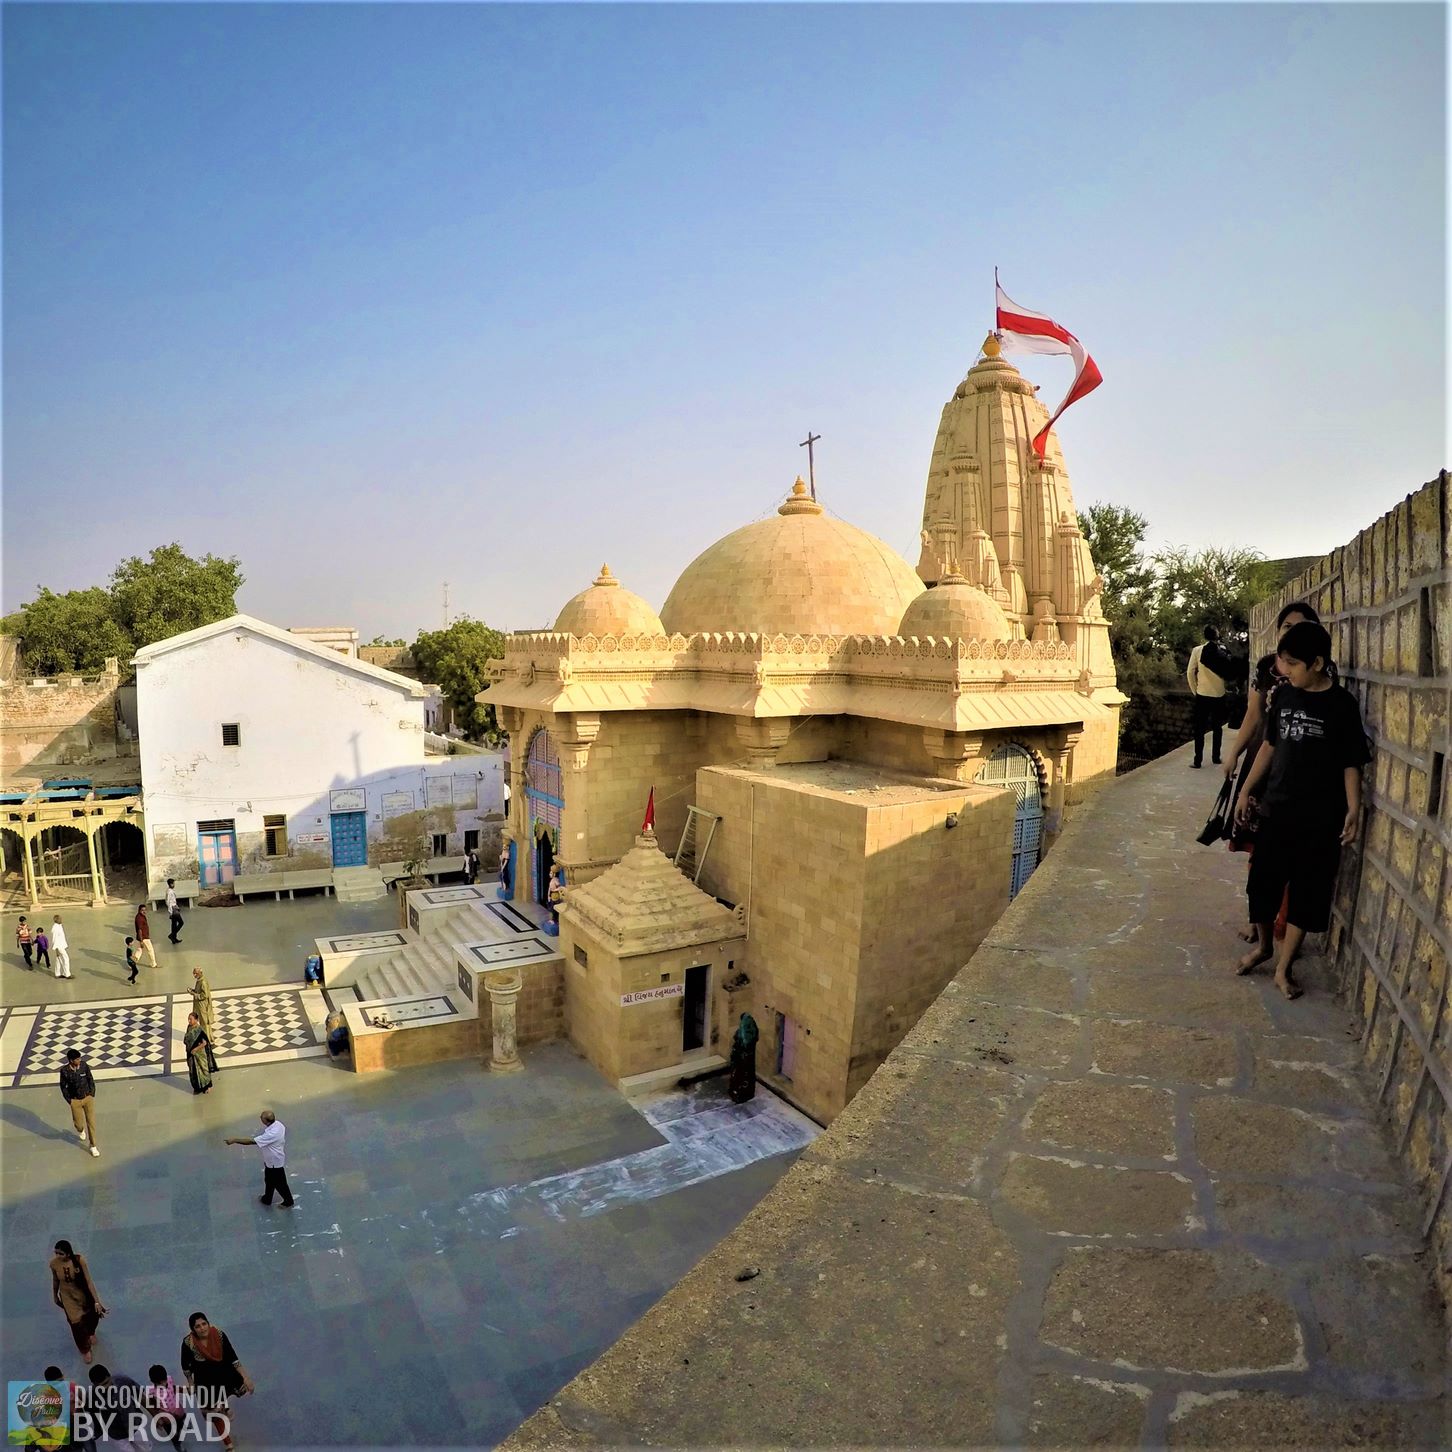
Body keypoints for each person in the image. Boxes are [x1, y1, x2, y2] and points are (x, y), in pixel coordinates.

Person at [1233, 621, 1369, 1000]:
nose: (1286, 671)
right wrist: (1246, 790)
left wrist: (1354, 808)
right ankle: (1263, 946)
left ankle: (1283, 967)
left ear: (1318, 663)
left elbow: (1351, 762)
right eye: (1284, 663)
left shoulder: (1341, 705)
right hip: (1277, 811)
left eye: (1294, 664)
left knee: (1308, 895)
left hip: (1320, 820)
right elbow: (1269, 747)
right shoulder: (1286, 698)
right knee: (1261, 885)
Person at [1222, 601, 1321, 937]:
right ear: (1278, 631)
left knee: (1290, 852)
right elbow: (1252, 715)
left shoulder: (1318, 668)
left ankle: (1282, 920)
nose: (1292, 632)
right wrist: (1233, 753)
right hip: (1261, 759)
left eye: (1301, 626)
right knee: (1258, 846)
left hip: (1295, 770)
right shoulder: (1267, 667)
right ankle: (1258, 921)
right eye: (1287, 627)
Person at [179, 1313, 251, 1451]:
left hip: (223, 1375)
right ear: (193, 1329)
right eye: (197, 1326)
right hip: (204, 1381)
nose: (202, 1328)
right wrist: (191, 1383)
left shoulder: (219, 1334)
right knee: (215, 1414)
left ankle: (225, 1406)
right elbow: (185, 1366)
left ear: (208, 1323)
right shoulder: (188, 1343)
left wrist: (245, 1378)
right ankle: (228, 1445)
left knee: (222, 1396)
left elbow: (233, 1358)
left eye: (204, 1324)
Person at [50, 1241, 106, 1362]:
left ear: (68, 1254)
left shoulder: (79, 1261)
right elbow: (55, 1281)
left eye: (61, 1253)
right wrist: (55, 1295)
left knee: (92, 1317)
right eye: (56, 1253)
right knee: (76, 1325)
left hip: (83, 1295)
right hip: (68, 1297)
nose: (58, 1256)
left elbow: (89, 1281)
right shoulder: (54, 1264)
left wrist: (96, 1301)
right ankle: (85, 1349)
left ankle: (91, 1332)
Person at [224, 1109, 294, 1207]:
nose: (260, 1118)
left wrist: (235, 1140)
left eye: (261, 1117)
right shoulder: (278, 1124)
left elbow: (252, 1141)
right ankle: (267, 1198)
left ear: (266, 1121)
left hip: (274, 1163)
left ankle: (288, 1201)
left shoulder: (271, 1134)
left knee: (280, 1183)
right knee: (269, 1180)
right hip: (271, 1161)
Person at [1186, 625, 1232, 768]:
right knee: (1217, 727)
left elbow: (1190, 673)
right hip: (1219, 694)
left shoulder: (1197, 651)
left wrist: (1195, 690)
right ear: (1217, 636)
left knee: (1199, 729)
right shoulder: (1223, 651)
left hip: (1203, 694)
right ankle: (1216, 757)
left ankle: (1197, 760)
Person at [60, 1050, 100, 1157]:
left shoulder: (84, 1066)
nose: (79, 1060)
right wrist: (70, 1100)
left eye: (80, 1058)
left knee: (91, 1122)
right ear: (71, 1060)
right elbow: (63, 1087)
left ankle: (93, 1145)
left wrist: (92, 1093)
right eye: (77, 1059)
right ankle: (81, 1130)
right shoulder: (65, 1071)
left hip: (87, 1097)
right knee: (78, 1123)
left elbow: (90, 1079)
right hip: (75, 1100)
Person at [147, 1365, 184, 1450]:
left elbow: (174, 1388)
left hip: (177, 1410)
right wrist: (157, 1419)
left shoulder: (169, 1379)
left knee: (180, 1423)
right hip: (167, 1418)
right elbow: (153, 1407)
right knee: (173, 1434)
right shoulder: (152, 1393)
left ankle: (179, 1430)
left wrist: (183, 1390)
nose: (164, 1383)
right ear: (153, 1382)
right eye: (160, 1382)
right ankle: (178, 1446)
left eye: (164, 1380)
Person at [728, 1012, 759, 1103]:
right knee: (743, 1072)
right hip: (745, 1053)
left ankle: (740, 1091)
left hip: (743, 1054)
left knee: (741, 1072)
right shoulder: (748, 1026)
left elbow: (746, 1038)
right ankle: (739, 1090)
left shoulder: (745, 1026)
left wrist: (743, 1047)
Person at [184, 1013, 216, 1094]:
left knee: (203, 1070)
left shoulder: (199, 1030)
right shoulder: (189, 1027)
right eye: (189, 1019)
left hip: (199, 1054)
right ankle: (197, 1087)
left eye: (191, 1019)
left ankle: (207, 1086)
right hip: (190, 1053)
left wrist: (196, 1049)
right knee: (193, 1070)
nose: (189, 1021)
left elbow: (204, 1043)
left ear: (196, 1020)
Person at [191, 968, 219, 1051]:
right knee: (204, 1023)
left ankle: (207, 1041)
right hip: (200, 1005)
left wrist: (195, 994)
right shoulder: (200, 980)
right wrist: (193, 991)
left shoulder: (202, 982)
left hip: (202, 1006)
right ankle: (209, 1039)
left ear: (200, 973)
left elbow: (204, 995)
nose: (194, 975)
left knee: (204, 1023)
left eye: (195, 973)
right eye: (194, 973)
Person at [165, 880, 184, 945]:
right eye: (173, 884)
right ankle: (172, 935)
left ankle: (174, 939)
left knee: (174, 925)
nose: (174, 885)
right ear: (171, 884)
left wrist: (177, 906)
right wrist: (171, 912)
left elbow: (173, 901)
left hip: (174, 908)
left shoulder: (169, 891)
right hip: (173, 909)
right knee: (181, 922)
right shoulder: (170, 892)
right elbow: (168, 902)